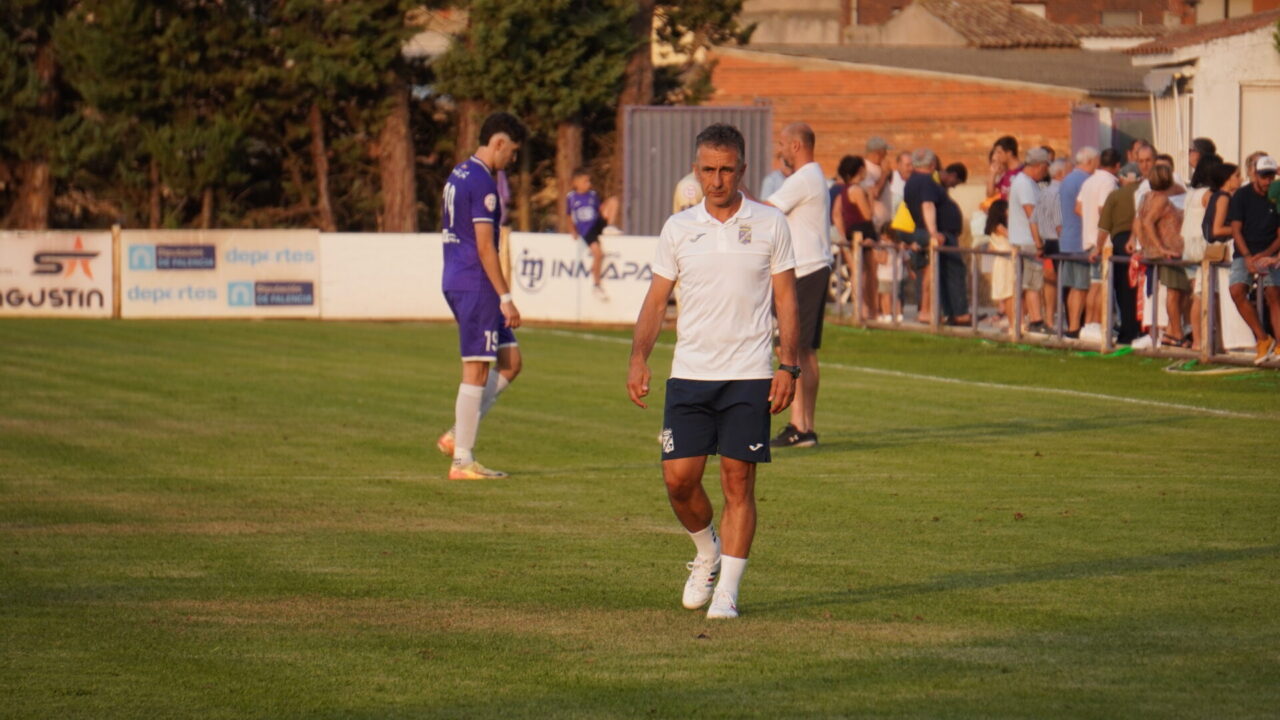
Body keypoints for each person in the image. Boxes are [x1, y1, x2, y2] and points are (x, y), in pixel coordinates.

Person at [627, 123, 800, 620]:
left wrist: (788, 364)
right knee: (678, 480)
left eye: (726, 170)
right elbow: (656, 300)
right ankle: (707, 551)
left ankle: (728, 589)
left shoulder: (771, 223)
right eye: (708, 170)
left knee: (737, 482)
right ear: (696, 170)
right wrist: (639, 356)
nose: (717, 180)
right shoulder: (678, 228)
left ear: (742, 170)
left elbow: (787, 299)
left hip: (749, 373)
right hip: (690, 374)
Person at [435, 112, 528, 480]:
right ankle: (462, 460)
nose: (513, 161)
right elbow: (486, 247)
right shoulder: (484, 184)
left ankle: (457, 435)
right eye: (513, 152)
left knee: (511, 361)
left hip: (460, 277)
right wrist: (505, 296)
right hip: (475, 282)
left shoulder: (460, 172)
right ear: (499, 143)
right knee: (476, 368)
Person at [763, 122, 831, 449]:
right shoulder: (813, 177)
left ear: (796, 146)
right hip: (810, 268)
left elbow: (767, 210)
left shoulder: (804, 178)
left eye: (782, 143)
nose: (780, 150)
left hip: (805, 269)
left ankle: (800, 426)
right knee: (803, 349)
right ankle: (804, 425)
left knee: (791, 347)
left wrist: (737, 195)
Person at [1227, 155, 1280, 364]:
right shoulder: (1241, 195)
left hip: (1270, 250)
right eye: (1264, 176)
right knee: (1236, 290)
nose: (1268, 181)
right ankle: (1262, 338)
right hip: (1245, 250)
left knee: (1274, 293)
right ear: (1254, 175)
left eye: (1271, 176)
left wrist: (1268, 253)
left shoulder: (1277, 195)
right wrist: (1248, 256)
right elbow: (1236, 230)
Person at [1133, 164, 1188, 346]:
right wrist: (1161, 248)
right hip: (1169, 252)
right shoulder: (1162, 199)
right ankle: (1176, 334)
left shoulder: (1145, 197)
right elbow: (1147, 222)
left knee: (1178, 292)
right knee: (1174, 292)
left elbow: (1139, 222)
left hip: (1158, 252)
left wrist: (1145, 245)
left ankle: (1173, 331)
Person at [1098, 163, 1144, 344]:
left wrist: (1098, 248)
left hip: (1120, 242)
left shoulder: (1116, 195)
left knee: (1124, 289)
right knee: (1140, 288)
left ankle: (1128, 330)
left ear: (1123, 178)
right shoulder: (1146, 193)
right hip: (1142, 241)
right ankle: (1142, 329)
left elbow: (1104, 227)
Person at [1079, 148, 1122, 338]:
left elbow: (1078, 207)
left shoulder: (1089, 181)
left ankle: (1089, 324)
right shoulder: (1109, 182)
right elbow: (1105, 210)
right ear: (1117, 166)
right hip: (1103, 242)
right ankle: (1097, 323)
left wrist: (1090, 221)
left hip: (1089, 238)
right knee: (1102, 286)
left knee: (1094, 284)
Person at [1008, 147, 1049, 332]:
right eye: (1045, 167)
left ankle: (1026, 320)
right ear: (1039, 166)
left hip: (1025, 239)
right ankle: (1036, 320)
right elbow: (1031, 214)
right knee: (1032, 283)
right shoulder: (1024, 183)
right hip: (1027, 240)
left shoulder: (1028, 182)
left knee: (1030, 282)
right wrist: (1039, 242)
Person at [902, 148, 944, 323]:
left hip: (917, 230)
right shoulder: (926, 181)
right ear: (932, 164)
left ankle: (925, 308)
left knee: (923, 273)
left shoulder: (911, 181)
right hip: (926, 231)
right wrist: (933, 232)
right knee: (930, 272)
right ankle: (927, 310)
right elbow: (927, 205)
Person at [832, 155, 876, 320]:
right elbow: (867, 214)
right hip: (863, 233)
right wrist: (870, 198)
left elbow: (836, 214)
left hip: (850, 234)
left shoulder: (842, 191)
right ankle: (864, 308)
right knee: (864, 273)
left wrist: (842, 233)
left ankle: (863, 308)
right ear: (859, 170)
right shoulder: (857, 190)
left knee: (856, 272)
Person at [566, 167, 609, 300]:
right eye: (585, 181)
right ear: (576, 182)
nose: (588, 184)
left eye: (589, 181)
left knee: (613, 202)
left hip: (596, 224)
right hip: (586, 229)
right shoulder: (571, 197)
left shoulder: (593, 195)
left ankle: (610, 227)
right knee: (598, 253)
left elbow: (600, 209)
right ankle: (596, 285)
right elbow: (568, 216)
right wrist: (572, 230)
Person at [937, 162, 971, 324]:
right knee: (954, 271)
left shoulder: (940, 188)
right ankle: (958, 312)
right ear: (953, 176)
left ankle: (951, 312)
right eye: (956, 183)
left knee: (947, 273)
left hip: (948, 233)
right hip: (944, 234)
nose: (954, 187)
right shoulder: (935, 184)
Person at [1035, 158, 1068, 325]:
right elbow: (1059, 223)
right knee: (1064, 282)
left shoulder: (1044, 192)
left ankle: (1049, 318)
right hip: (1058, 242)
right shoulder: (1059, 192)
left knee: (1050, 281)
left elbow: (1033, 220)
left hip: (1047, 241)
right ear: (1061, 173)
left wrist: (1038, 242)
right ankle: (1064, 320)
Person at [984, 199, 1015, 324]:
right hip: (1005, 262)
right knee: (1008, 291)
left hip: (1003, 262)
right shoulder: (999, 227)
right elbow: (1012, 237)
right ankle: (1009, 317)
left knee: (1009, 290)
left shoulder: (993, 228)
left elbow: (990, 248)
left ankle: (1009, 316)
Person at [987, 135, 1020, 200]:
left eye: (999, 152)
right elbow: (990, 194)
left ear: (1009, 153)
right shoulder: (1006, 173)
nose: (997, 156)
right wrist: (993, 173)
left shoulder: (1022, 172)